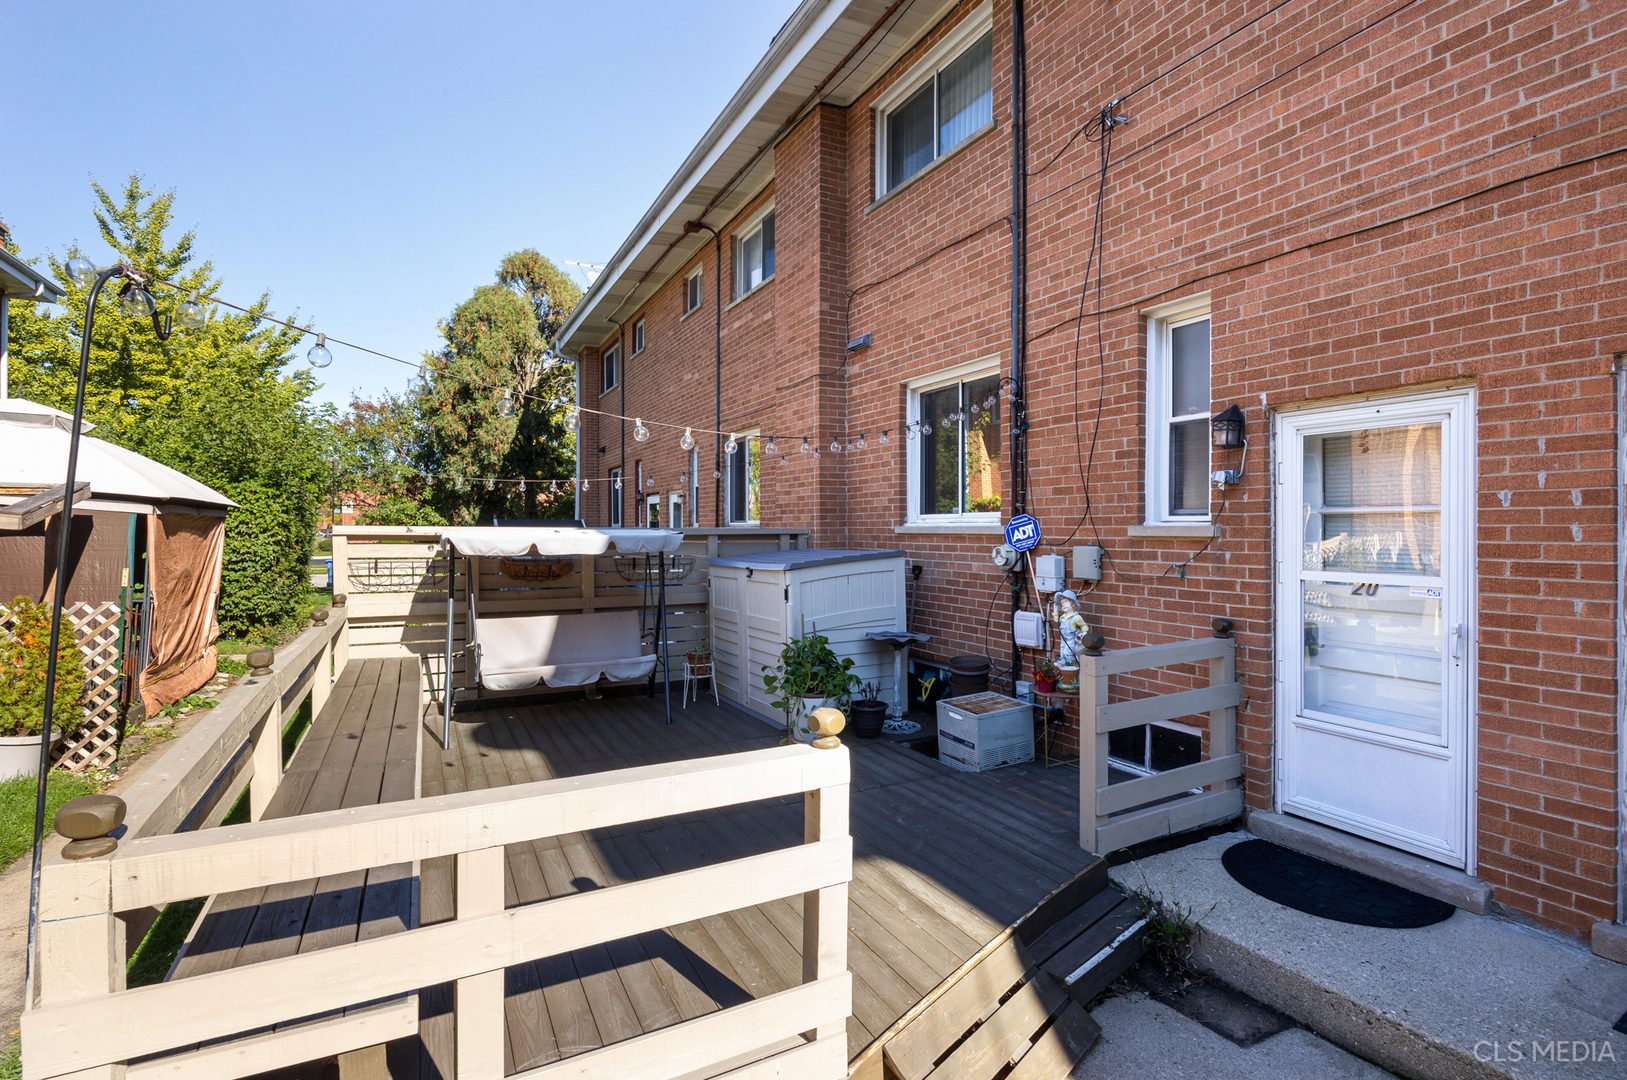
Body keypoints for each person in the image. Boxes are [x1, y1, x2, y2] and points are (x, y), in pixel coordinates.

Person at [1053, 589, 1090, 667]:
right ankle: (1063, 666)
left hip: (1070, 638)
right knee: (1062, 651)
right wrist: (1055, 609)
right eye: (1062, 603)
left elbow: (1084, 626)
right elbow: (1057, 620)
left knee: (1068, 653)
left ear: (1072, 603)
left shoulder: (1076, 617)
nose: (1063, 605)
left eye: (1065, 602)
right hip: (1063, 639)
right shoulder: (1063, 617)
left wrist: (1084, 633)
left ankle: (1070, 666)